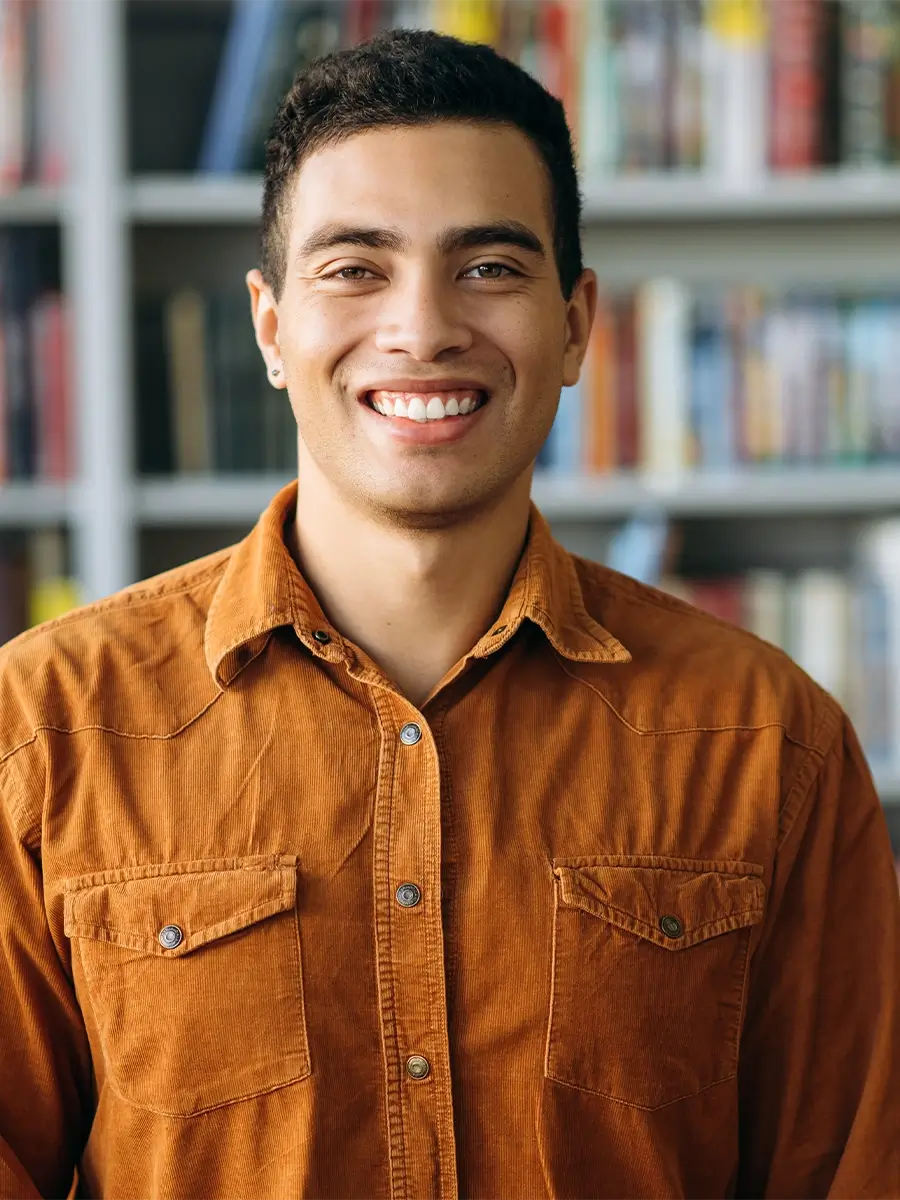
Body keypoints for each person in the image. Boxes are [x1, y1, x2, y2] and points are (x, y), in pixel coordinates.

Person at [0, 28, 897, 1200]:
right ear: (271, 326)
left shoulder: (768, 742)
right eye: (354, 268)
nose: (422, 328)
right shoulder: (47, 727)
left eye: (488, 267)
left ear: (577, 325)